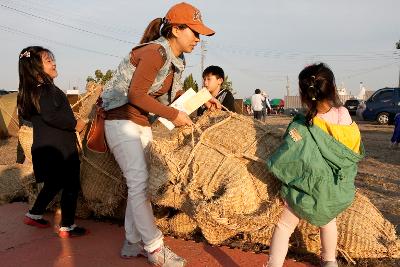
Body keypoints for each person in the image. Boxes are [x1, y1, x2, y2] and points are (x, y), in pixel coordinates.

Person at [100, 3, 218, 266]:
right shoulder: (155, 52)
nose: (198, 39)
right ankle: (155, 248)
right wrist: (173, 115)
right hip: (121, 121)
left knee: (138, 186)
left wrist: (202, 99)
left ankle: (132, 243)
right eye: (194, 32)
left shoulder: (177, 59)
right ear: (176, 29)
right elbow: (136, 94)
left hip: (140, 122)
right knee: (139, 182)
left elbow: (169, 96)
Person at [265, 63, 364, 267]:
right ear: (333, 88)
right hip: (333, 188)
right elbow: (352, 149)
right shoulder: (344, 115)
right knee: (328, 223)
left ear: (303, 94)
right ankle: (329, 261)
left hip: (307, 188)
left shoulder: (303, 124)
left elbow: (289, 157)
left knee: (284, 226)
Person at [17, 46, 88, 238]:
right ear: (35, 68)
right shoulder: (48, 90)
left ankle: (34, 214)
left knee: (53, 184)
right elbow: (51, 115)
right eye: (48, 61)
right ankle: (67, 226)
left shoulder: (29, 93)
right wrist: (75, 124)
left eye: (52, 59)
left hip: (44, 148)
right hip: (61, 150)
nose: (54, 63)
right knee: (71, 185)